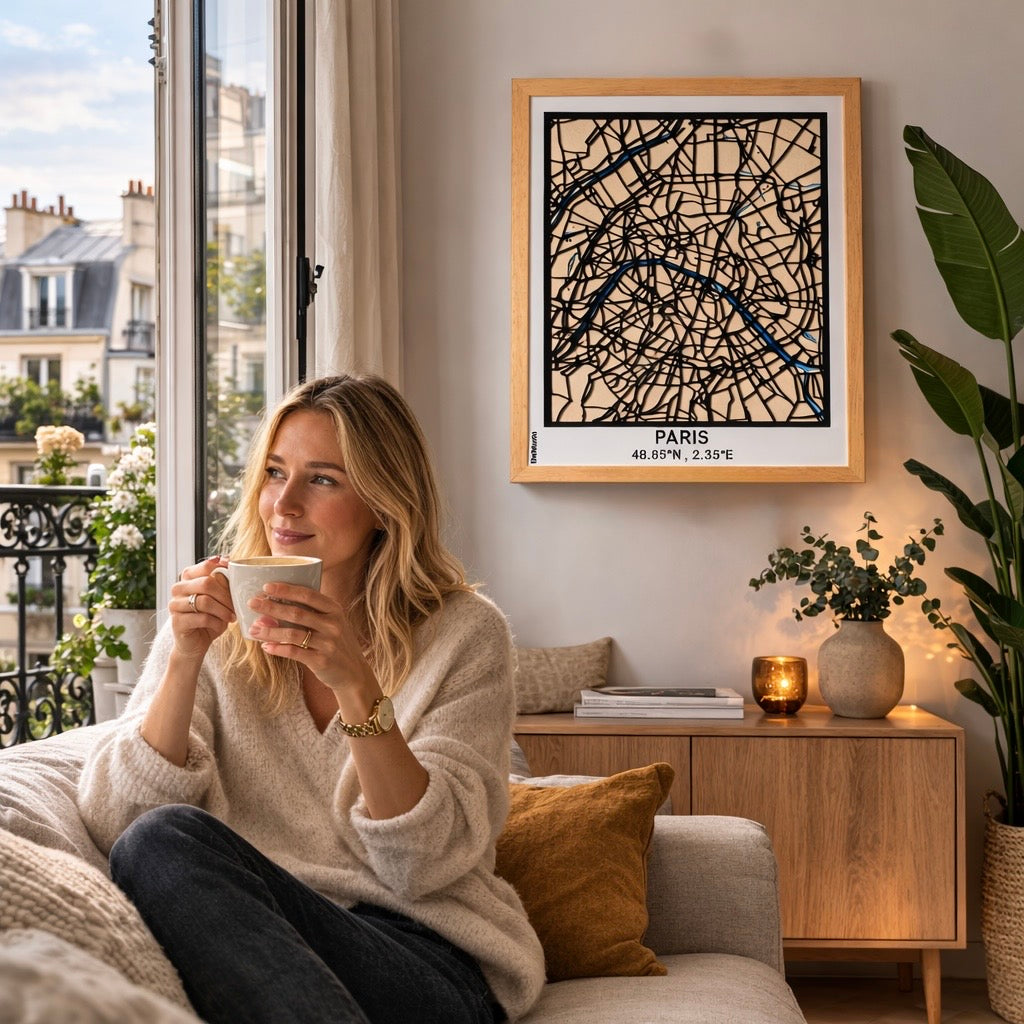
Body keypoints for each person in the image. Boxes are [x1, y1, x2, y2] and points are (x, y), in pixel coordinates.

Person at [76, 374, 545, 1024]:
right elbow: (116, 820)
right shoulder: (218, 630)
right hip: (266, 950)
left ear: (384, 500)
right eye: (274, 472)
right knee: (158, 840)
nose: (284, 504)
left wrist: (357, 686)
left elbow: (425, 864)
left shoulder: (465, 633)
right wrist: (184, 657)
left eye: (322, 478)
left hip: (427, 959)